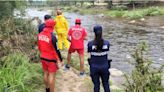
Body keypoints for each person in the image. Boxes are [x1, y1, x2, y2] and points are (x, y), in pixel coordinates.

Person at [37, 19, 63, 92]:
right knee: (52, 75)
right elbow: (57, 50)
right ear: (52, 26)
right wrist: (60, 60)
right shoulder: (53, 36)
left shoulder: (40, 34)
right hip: (51, 59)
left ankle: (47, 89)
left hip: (43, 57)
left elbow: (39, 47)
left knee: (45, 73)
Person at [87, 25, 111, 92]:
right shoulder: (107, 43)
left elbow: (89, 51)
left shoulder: (90, 44)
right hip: (105, 67)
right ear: (102, 32)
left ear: (94, 32)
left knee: (96, 85)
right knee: (106, 84)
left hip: (94, 67)